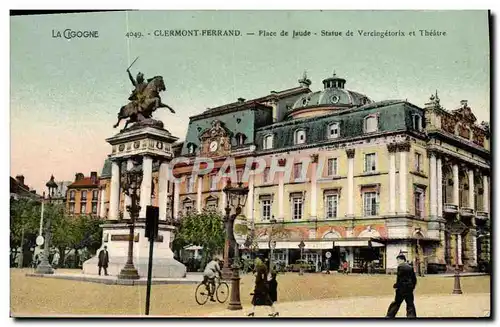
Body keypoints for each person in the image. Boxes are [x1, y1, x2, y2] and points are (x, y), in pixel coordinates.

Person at [385, 254, 417, 318]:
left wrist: (396, 285)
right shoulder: (410, 267)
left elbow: (399, 278)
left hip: (401, 289)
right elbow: (414, 279)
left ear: (402, 259)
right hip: (409, 288)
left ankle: (390, 315)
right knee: (410, 303)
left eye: (398, 260)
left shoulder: (400, 267)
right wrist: (412, 287)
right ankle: (411, 316)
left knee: (397, 303)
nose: (397, 262)